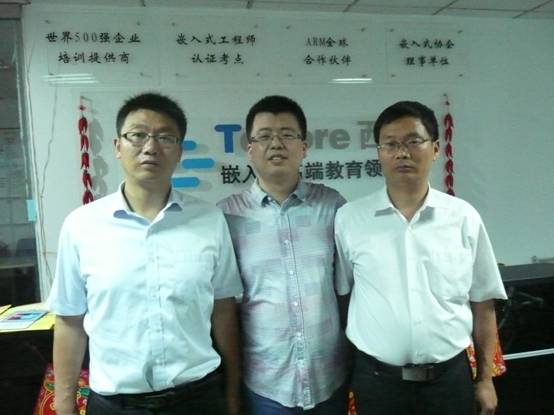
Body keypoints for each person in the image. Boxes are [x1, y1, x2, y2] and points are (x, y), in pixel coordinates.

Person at [47, 92, 243, 415]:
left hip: (198, 400)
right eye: (137, 135)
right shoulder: (81, 226)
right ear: (117, 146)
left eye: (165, 137)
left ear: (179, 151)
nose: (150, 147)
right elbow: (69, 321)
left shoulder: (209, 220)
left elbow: (223, 310)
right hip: (115, 405)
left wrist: (233, 393)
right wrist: (64, 404)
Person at [334, 101, 507, 415]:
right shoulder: (350, 219)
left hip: (450, 381)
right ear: (379, 152)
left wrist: (485, 379)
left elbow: (483, 304)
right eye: (390, 144)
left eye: (413, 141)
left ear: (436, 148)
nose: (402, 153)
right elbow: (345, 297)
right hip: (377, 384)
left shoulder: (463, 218)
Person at [217, 95, 350, 414]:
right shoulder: (226, 216)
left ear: (304, 147)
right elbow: (224, 308)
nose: (276, 143)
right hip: (266, 387)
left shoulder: (332, 206)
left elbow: (346, 292)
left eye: (287, 134)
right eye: (264, 136)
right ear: (250, 150)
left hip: (329, 380)